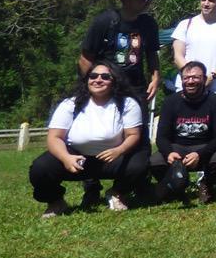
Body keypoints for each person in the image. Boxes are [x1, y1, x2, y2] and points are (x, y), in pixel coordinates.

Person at [29, 62, 146, 217]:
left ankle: (117, 193)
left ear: (115, 81)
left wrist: (119, 150)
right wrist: (66, 158)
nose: (98, 80)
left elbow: (133, 135)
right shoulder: (70, 104)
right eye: (93, 76)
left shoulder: (127, 103)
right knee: (40, 169)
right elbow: (54, 137)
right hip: (77, 158)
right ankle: (56, 201)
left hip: (112, 158)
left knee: (139, 164)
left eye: (105, 77)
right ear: (87, 80)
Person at [150, 61, 216, 205]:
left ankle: (206, 185)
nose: (190, 81)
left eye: (195, 77)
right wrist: (169, 153)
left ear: (204, 79)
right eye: (186, 78)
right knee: (155, 161)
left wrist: (200, 154)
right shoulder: (170, 102)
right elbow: (161, 136)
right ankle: (176, 186)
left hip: (205, 146)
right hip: (177, 147)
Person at [79, 0, 161, 102]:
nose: (147, 1)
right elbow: (86, 58)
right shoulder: (105, 22)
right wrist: (87, 88)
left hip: (136, 89)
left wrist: (155, 79)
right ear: (126, 0)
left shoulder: (148, 24)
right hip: (107, 87)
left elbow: (152, 54)